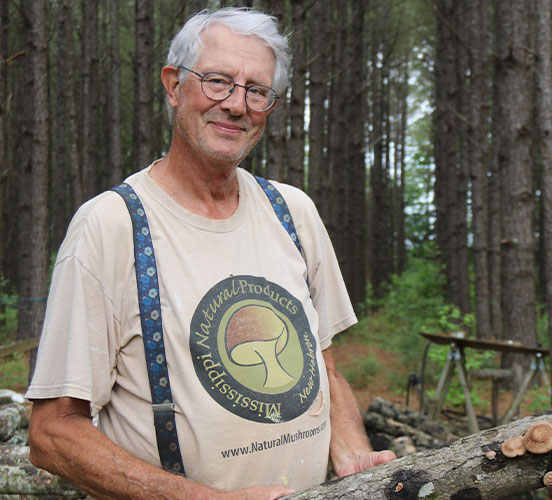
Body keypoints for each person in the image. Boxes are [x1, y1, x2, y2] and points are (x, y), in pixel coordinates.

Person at [26, 7, 395, 500]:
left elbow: (326, 371)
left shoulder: (294, 212)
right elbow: (52, 433)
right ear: (174, 85)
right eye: (218, 81)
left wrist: (349, 447)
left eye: (257, 90)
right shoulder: (111, 226)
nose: (237, 105)